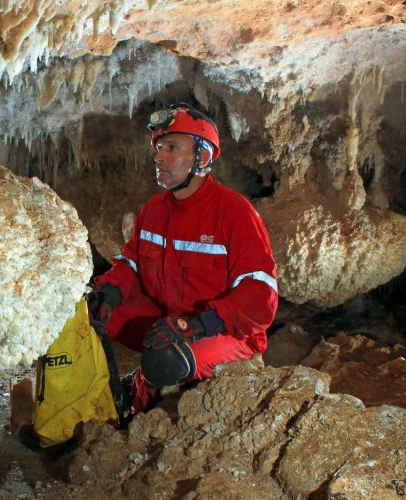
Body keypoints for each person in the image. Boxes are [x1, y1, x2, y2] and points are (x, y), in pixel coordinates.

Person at [88, 103, 278, 413]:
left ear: (202, 157)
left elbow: (260, 296)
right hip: (170, 321)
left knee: (163, 359)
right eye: (160, 148)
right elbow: (132, 265)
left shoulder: (234, 213)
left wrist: (200, 325)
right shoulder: (153, 210)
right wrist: (109, 290)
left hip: (225, 330)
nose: (159, 156)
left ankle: (143, 394)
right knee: (88, 312)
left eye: (172, 147)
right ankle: (87, 406)